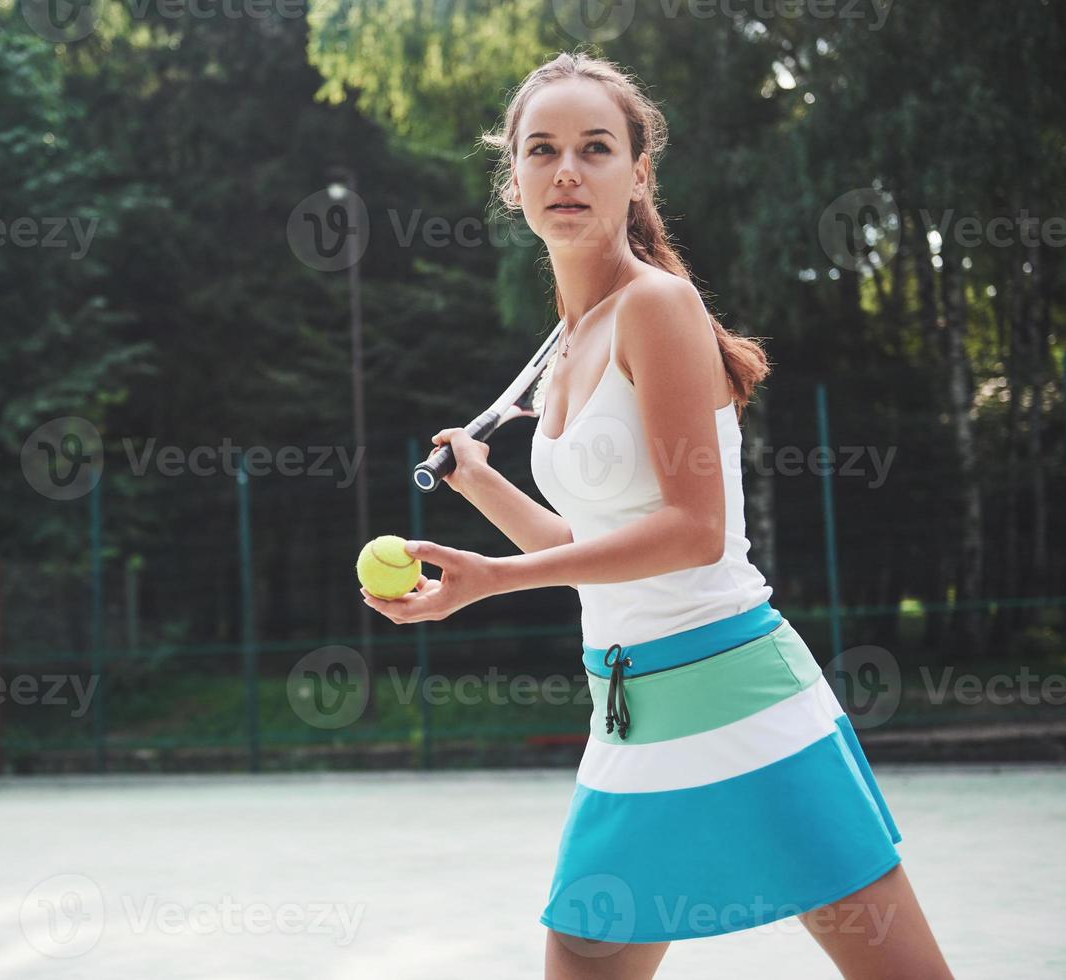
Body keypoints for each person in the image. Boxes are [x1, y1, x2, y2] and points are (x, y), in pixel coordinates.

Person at [360, 50, 954, 979]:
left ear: (637, 173)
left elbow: (691, 532)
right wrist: (481, 485)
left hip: (737, 694)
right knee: (584, 958)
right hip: (629, 713)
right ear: (510, 179)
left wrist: (495, 583)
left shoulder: (658, 306)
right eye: (541, 150)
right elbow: (595, 547)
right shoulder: (570, 341)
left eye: (595, 149)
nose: (566, 170)